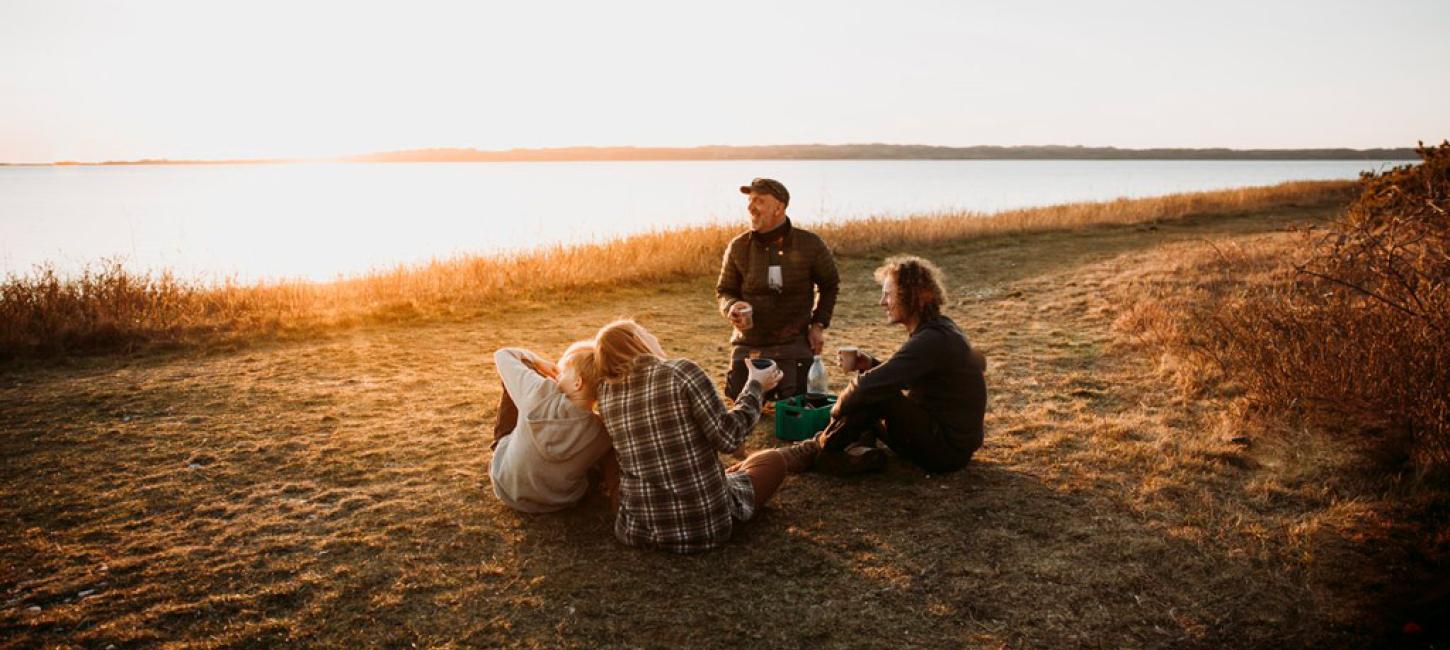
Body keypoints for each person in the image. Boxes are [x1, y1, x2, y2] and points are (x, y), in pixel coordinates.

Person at [593, 319, 803, 554]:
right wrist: (755, 384)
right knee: (772, 460)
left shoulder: (605, 394)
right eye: (646, 332)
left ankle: (723, 480)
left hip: (639, 530)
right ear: (637, 341)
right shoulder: (682, 372)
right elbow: (729, 438)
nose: (654, 338)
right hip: (705, 526)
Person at [784, 255, 988, 475]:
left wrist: (836, 410)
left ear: (913, 296)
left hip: (946, 451)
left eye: (888, 295)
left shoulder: (932, 339)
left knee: (875, 392)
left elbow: (866, 386)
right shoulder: (938, 329)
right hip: (949, 443)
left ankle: (820, 449)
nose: (882, 302)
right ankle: (851, 450)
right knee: (875, 390)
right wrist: (870, 363)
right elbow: (914, 380)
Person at [717, 177, 840, 401]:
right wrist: (733, 306)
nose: (751, 207)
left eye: (760, 200)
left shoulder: (810, 244)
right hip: (749, 342)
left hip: (793, 342)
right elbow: (724, 290)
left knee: (795, 396)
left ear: (779, 207)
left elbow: (830, 285)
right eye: (750, 200)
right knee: (739, 395)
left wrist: (818, 324)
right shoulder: (738, 246)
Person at [488, 343, 613, 513]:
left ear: (577, 383)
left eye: (565, 371)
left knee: (520, 373)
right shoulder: (603, 431)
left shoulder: (542, 394)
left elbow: (503, 354)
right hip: (558, 502)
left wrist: (538, 362)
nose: (559, 375)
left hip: (507, 488)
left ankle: (506, 452)